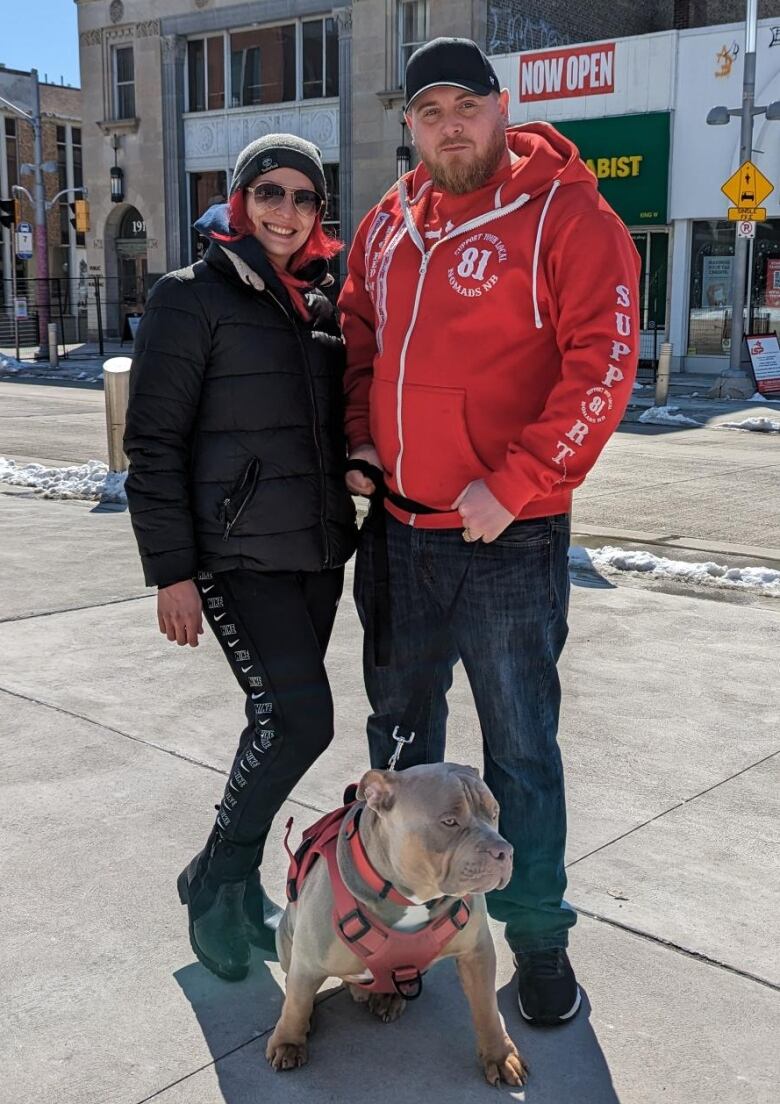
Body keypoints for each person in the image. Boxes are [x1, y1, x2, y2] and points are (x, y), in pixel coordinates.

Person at [339, 38, 640, 1025]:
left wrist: (514, 486)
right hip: (398, 536)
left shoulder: (567, 214)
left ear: (501, 107)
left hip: (506, 541)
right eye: (429, 111)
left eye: (466, 105)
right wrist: (363, 442)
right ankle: (403, 931)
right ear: (411, 125)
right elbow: (358, 341)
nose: (450, 124)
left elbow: (604, 361)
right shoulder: (387, 222)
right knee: (402, 748)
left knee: (517, 754)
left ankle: (540, 939)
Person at [124, 134, 357, 982]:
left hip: (316, 554)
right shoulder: (190, 296)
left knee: (276, 723)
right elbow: (151, 445)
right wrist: (172, 572)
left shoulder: (324, 302)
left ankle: (221, 880)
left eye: (304, 197)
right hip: (233, 558)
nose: (286, 211)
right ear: (237, 199)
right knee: (302, 720)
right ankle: (214, 884)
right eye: (270, 191)